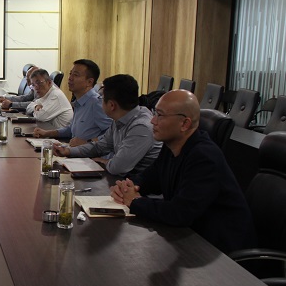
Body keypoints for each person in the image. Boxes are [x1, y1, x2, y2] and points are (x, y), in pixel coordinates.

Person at [110, 89, 257, 254]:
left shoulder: (204, 157)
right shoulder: (171, 146)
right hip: (192, 237)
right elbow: (150, 177)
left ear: (185, 124)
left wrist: (135, 201)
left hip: (221, 250)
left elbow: (180, 212)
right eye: (154, 113)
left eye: (160, 115)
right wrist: (128, 186)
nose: (152, 120)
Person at [54, 74, 161, 178]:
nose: (99, 101)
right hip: (123, 180)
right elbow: (100, 146)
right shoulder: (120, 118)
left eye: (101, 98)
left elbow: (117, 168)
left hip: (139, 185)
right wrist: (68, 151)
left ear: (111, 105)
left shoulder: (141, 128)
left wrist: (105, 161)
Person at [33, 59, 111, 146]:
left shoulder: (96, 103)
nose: (70, 78)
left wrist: (87, 142)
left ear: (89, 82)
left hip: (90, 153)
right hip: (74, 149)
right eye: (70, 74)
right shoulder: (79, 102)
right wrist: (47, 133)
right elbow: (71, 130)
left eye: (76, 75)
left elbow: (113, 134)